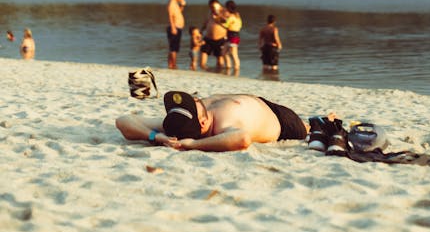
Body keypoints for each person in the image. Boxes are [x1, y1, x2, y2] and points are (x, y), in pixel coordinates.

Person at [115, 90, 325, 152]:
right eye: (194, 105)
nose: (196, 100)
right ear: (204, 125)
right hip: (282, 121)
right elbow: (242, 139)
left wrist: (155, 136)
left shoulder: (176, 121)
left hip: (261, 101)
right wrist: (195, 145)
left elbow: (124, 120)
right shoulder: (223, 126)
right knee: (308, 128)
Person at [200, 0, 227, 70]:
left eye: (213, 7)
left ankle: (219, 73)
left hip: (220, 39)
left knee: (220, 62)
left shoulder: (224, 11)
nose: (212, 8)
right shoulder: (209, 12)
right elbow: (206, 22)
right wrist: (201, 30)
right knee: (202, 61)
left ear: (218, 5)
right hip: (208, 38)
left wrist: (218, 15)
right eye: (210, 7)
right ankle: (208, 72)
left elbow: (226, 22)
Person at [166, 0, 186, 69]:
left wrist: (182, 5)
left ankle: (171, 65)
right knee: (174, 48)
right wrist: (173, 28)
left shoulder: (175, 3)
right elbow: (170, 16)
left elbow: (178, 13)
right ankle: (173, 65)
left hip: (178, 27)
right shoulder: (172, 3)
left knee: (174, 47)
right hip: (174, 27)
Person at [221, 0, 242, 73]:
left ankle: (236, 69)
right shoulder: (237, 16)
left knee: (234, 54)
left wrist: (220, 20)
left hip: (234, 36)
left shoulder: (232, 17)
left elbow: (225, 25)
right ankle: (228, 66)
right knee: (224, 52)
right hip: (231, 36)